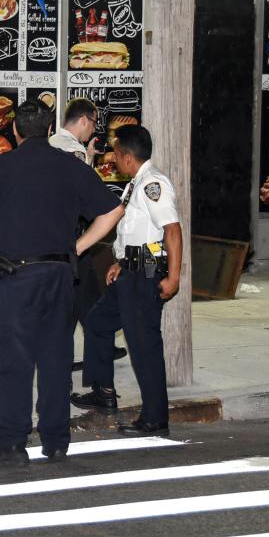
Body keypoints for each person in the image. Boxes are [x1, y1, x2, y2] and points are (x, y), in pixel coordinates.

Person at [0, 99, 123, 467]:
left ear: (15, 131)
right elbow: (113, 209)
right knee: (56, 356)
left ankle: (12, 443)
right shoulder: (70, 165)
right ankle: (55, 440)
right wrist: (77, 248)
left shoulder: (2, 166)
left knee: (12, 359)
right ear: (50, 129)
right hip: (59, 275)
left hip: (14, 276)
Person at [70, 125, 182, 436]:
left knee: (144, 346)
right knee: (97, 323)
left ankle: (155, 418)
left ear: (127, 156)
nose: (112, 159)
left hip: (145, 277)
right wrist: (121, 262)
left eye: (115, 154)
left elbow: (171, 230)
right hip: (130, 271)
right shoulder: (137, 183)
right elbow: (139, 233)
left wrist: (173, 277)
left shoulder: (153, 184)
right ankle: (103, 392)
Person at [49, 98, 128, 372]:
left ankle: (71, 348)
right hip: (73, 236)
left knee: (81, 295)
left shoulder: (51, 144)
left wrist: (90, 157)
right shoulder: (73, 151)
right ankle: (90, 347)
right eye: (94, 123)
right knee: (84, 295)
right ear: (84, 120)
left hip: (52, 232)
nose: (94, 130)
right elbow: (83, 194)